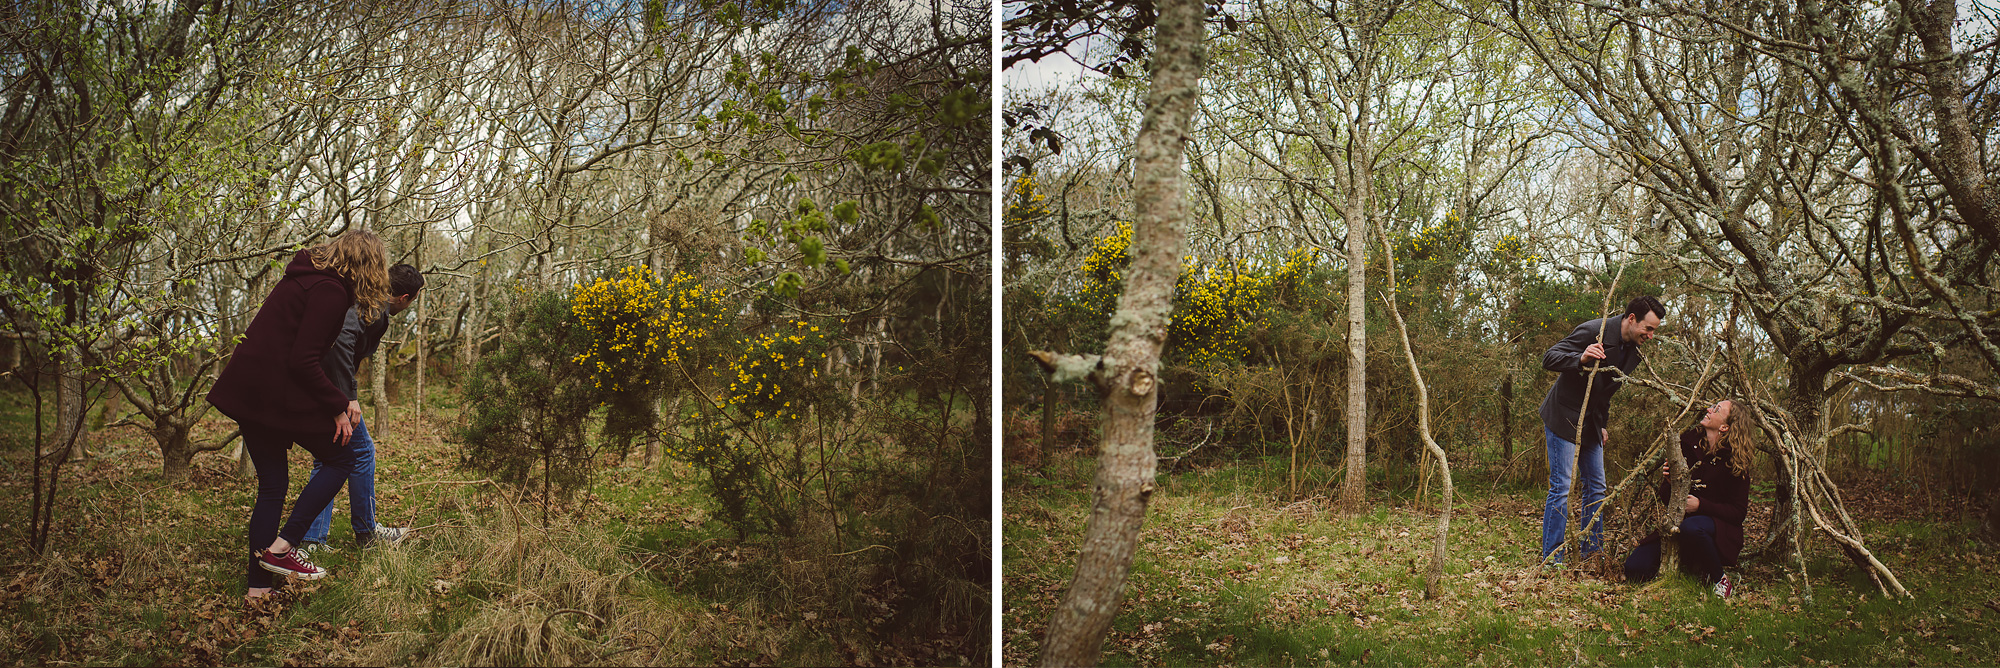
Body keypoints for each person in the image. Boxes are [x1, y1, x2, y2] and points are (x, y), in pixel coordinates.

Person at [207, 230, 391, 602]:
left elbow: (296, 354)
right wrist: (338, 405)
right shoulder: (330, 291)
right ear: (367, 266)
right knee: (343, 457)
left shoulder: (304, 278)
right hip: (273, 396)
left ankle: (258, 590)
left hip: (254, 394)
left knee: (273, 486)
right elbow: (304, 361)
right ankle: (284, 547)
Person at [297, 263, 424, 557]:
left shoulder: (365, 296)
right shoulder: (373, 306)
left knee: (327, 459)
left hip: (316, 384)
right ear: (405, 298)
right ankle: (366, 532)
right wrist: (346, 397)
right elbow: (340, 341)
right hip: (326, 389)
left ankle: (313, 538)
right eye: (412, 302)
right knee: (363, 451)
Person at [1538, 295, 1665, 564]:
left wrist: (1602, 425)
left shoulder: (1635, 350)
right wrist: (1581, 357)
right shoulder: (1592, 330)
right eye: (1649, 328)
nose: (1651, 336)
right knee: (1561, 488)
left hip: (1592, 423)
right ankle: (1551, 560)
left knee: (1596, 487)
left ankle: (1592, 555)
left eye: (1654, 330)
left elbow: (1607, 391)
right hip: (1563, 416)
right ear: (1632, 319)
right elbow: (1549, 358)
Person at [1623, 399, 1754, 598]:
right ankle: (1690, 566)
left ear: (1725, 426)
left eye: (1717, 409)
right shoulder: (1688, 442)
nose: (1709, 409)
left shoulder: (1735, 461)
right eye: (1713, 406)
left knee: (1693, 527)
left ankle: (1720, 580)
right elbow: (1668, 499)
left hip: (1716, 528)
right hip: (1679, 525)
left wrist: (1701, 506)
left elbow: (1738, 513)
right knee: (1634, 569)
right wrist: (1669, 482)